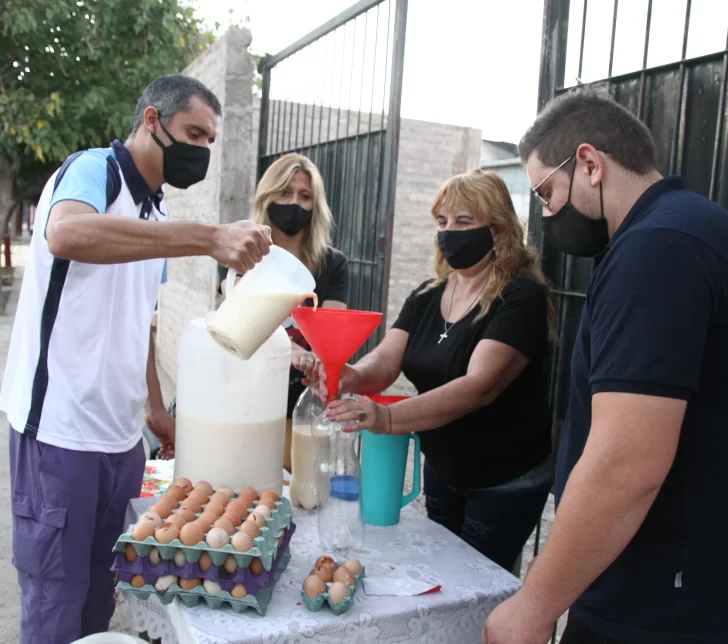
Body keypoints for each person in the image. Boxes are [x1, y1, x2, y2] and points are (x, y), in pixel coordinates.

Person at [0, 74, 272, 643]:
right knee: (56, 602)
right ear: (152, 120)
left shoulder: (157, 210)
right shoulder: (93, 170)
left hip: (121, 438)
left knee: (101, 597)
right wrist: (205, 237)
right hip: (60, 432)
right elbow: (67, 233)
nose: (202, 148)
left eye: (211, 139)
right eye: (194, 132)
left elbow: (141, 322)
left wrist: (153, 408)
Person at [482, 91, 728, 644]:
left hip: (654, 605)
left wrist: (536, 604)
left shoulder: (656, 248)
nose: (546, 214)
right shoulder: (697, 227)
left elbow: (627, 461)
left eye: (547, 192)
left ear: (590, 165)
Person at [324, 169, 554, 572]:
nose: (449, 233)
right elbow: (385, 360)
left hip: (504, 480)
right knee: (443, 578)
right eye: (442, 222)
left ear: (498, 230)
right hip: (444, 470)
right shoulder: (428, 295)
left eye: (464, 222)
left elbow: (478, 387)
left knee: (478, 586)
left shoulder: (520, 297)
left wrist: (388, 416)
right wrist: (353, 376)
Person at [218, 153, 349, 469]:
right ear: (268, 196)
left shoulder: (332, 264)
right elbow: (236, 317)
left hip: (300, 406)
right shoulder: (242, 254)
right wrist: (286, 347)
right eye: (285, 192)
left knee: (296, 496)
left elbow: (329, 338)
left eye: (305, 196)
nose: (295, 204)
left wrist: (314, 358)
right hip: (245, 396)